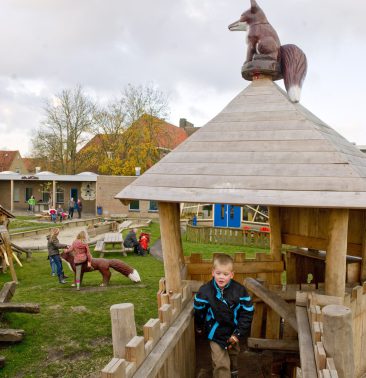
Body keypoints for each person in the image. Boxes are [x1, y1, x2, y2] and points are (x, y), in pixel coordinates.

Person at [194, 254, 254, 378]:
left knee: (233, 355)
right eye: (218, 273)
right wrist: (199, 327)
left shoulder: (240, 291)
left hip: (234, 330)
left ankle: (234, 372)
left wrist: (238, 334)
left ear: (232, 275)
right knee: (221, 363)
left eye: (225, 274)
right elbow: (199, 311)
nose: (221, 277)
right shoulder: (205, 291)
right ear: (212, 272)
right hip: (216, 332)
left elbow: (247, 313)